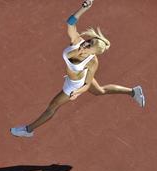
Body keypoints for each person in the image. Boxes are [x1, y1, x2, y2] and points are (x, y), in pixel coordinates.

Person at [10, 0, 145, 137]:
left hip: (75, 85)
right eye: (88, 41)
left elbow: (86, 84)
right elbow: (70, 23)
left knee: (52, 107)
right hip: (75, 76)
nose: (85, 44)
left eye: (88, 46)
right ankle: (133, 92)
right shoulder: (77, 41)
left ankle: (28, 130)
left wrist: (77, 92)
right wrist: (83, 8)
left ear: (92, 53)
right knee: (100, 91)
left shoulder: (92, 62)